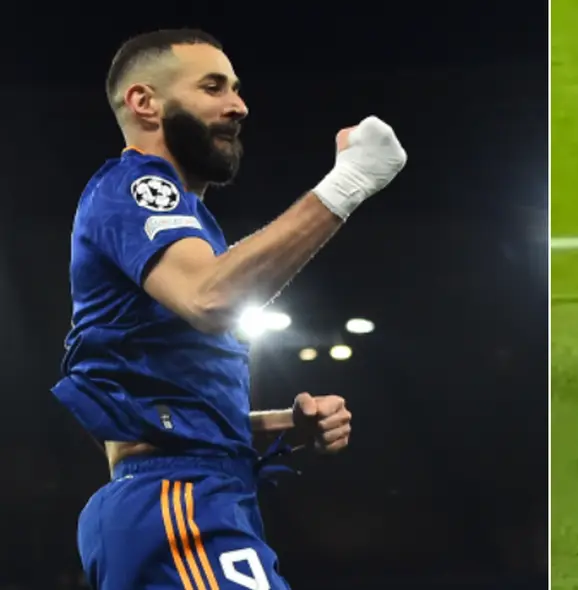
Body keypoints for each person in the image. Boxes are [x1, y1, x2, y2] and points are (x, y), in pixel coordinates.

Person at [52, 29, 407, 589]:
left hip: (185, 498)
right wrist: (349, 183)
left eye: (236, 89)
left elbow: (155, 412)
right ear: (145, 102)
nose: (238, 105)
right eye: (213, 87)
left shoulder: (184, 229)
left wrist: (283, 426)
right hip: (178, 503)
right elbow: (210, 298)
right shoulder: (135, 186)